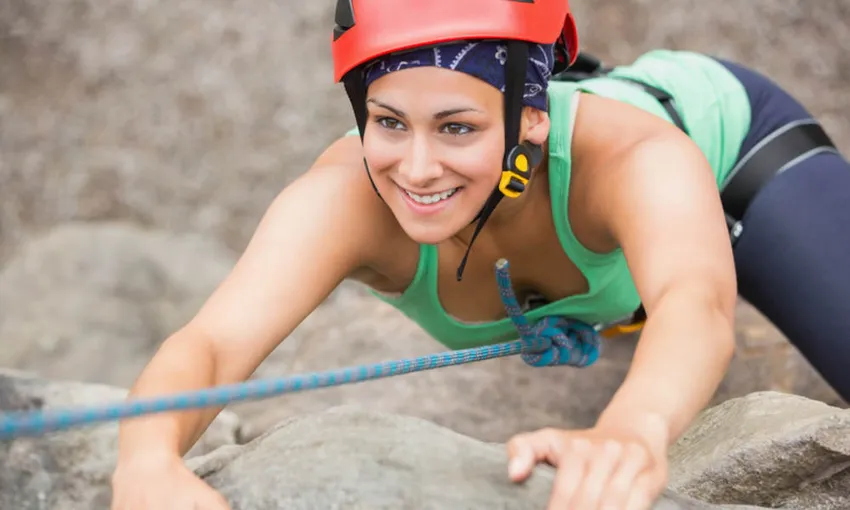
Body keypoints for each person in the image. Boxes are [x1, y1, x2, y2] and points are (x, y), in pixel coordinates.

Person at [110, 0, 849, 509]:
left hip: (739, 160)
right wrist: (146, 461)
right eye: (389, 121)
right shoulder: (346, 198)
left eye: (457, 128)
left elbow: (696, 303)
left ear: (533, 114)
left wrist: (632, 431)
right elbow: (210, 342)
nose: (418, 167)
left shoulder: (636, 159)